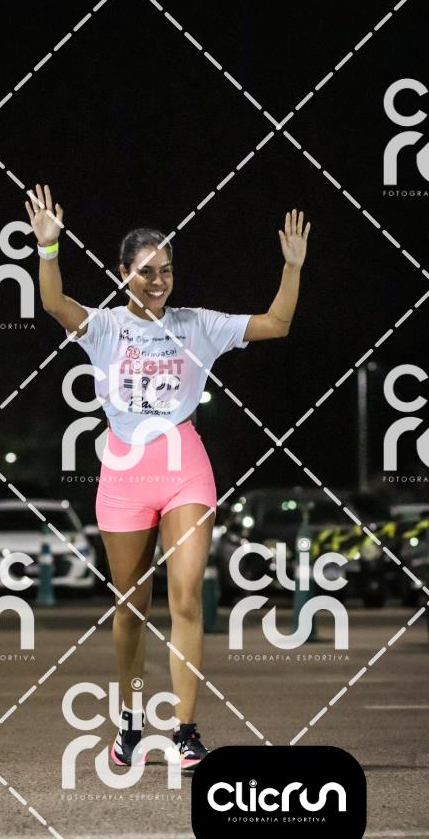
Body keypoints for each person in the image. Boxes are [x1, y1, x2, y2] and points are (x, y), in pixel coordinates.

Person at [25, 184, 311, 768]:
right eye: (147, 271)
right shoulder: (104, 328)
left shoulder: (197, 325)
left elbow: (278, 323)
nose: (159, 281)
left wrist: (292, 267)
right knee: (131, 610)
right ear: (123, 273)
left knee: (186, 599)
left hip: (185, 469)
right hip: (124, 476)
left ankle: (185, 729)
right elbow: (54, 303)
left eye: (167, 270)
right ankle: (130, 720)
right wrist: (48, 249)